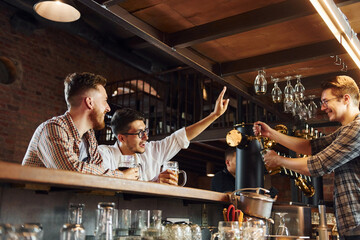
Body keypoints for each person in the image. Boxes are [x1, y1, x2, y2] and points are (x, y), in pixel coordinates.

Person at [253, 75, 360, 240]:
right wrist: (272, 134)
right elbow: (312, 147)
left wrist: (278, 160)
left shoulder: (357, 129)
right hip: (352, 227)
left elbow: (318, 165)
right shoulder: (346, 130)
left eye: (326, 101)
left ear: (346, 99)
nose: (323, 107)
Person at [99, 86, 230, 184]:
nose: (146, 137)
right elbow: (100, 184)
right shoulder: (104, 153)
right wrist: (154, 183)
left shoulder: (152, 151)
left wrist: (215, 115)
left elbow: (181, 136)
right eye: (140, 133)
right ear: (121, 138)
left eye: (146, 131)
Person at [22, 72, 132, 179]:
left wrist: (107, 174)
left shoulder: (89, 136)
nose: (108, 108)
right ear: (90, 103)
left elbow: (100, 170)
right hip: (32, 197)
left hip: (64, 197)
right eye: (105, 101)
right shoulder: (53, 129)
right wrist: (121, 175)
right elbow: (71, 172)